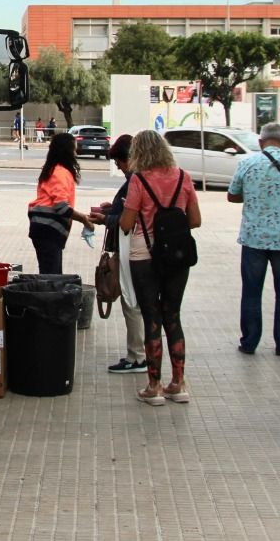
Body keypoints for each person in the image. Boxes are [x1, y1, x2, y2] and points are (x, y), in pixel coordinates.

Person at [118, 129, 201, 405]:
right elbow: (195, 220)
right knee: (173, 316)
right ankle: (178, 383)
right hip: (177, 254)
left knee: (151, 317)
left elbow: (126, 224)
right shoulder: (183, 177)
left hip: (144, 255)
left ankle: (154, 387)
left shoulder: (139, 180)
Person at [227, 120, 280, 356]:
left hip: (253, 238)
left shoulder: (247, 163)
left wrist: (253, 196)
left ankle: (249, 342)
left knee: (251, 292)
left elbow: (232, 196)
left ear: (260, 141)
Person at [92, 134, 146, 373]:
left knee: (131, 301)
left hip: (131, 249)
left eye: (119, 162)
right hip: (139, 250)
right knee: (137, 302)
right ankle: (140, 355)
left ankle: (137, 356)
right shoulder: (144, 178)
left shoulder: (136, 180)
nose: (119, 167)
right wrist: (111, 210)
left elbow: (128, 220)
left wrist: (106, 219)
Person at [27, 132, 96, 275]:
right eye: (74, 149)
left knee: (49, 273)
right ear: (67, 151)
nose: (76, 153)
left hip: (42, 227)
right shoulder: (60, 172)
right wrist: (84, 219)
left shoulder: (52, 169)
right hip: (48, 230)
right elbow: (62, 207)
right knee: (52, 277)